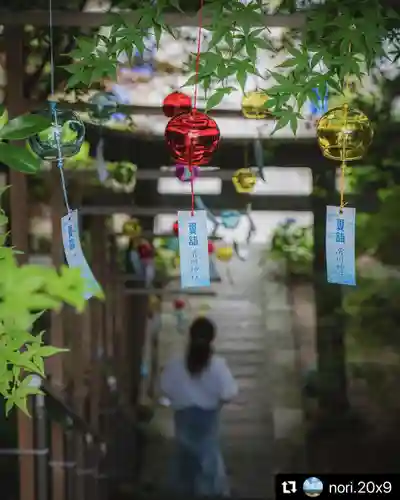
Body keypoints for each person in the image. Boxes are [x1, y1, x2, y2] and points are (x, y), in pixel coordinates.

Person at [160, 317, 238, 497]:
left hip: (182, 414)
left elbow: (165, 388)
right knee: (208, 453)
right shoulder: (217, 365)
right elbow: (229, 392)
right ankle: (210, 491)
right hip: (208, 415)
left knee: (184, 454)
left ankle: (183, 489)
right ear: (212, 338)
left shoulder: (176, 364)